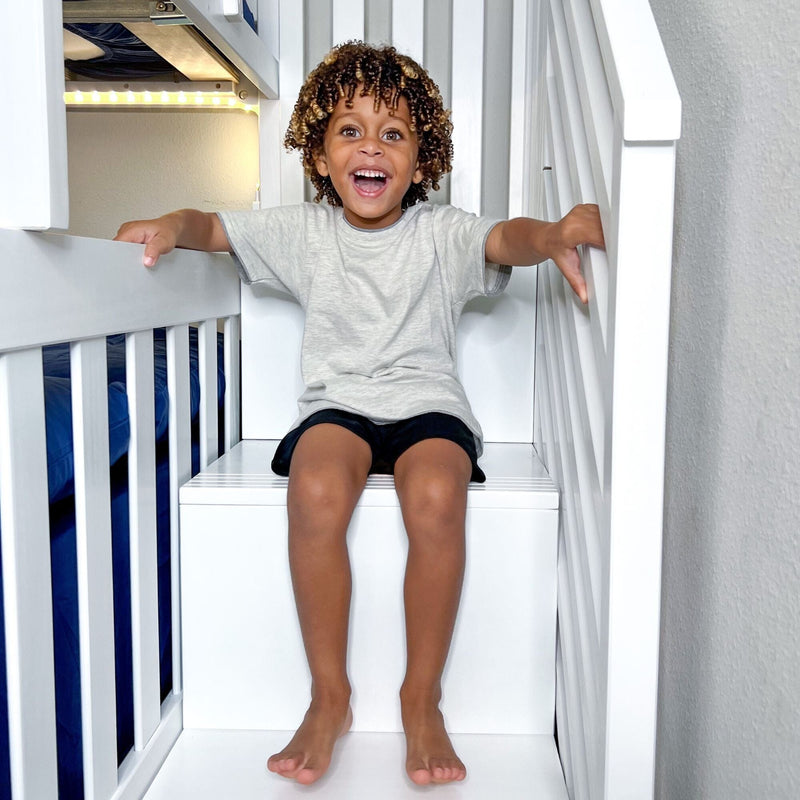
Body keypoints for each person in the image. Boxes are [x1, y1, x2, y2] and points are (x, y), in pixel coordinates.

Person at [115, 41, 604, 787]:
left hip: (427, 406)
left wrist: (554, 234)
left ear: (421, 161)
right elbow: (215, 228)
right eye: (349, 130)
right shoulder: (303, 233)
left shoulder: (441, 233)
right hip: (339, 408)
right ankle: (329, 695)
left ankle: (421, 697)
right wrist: (172, 225)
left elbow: (507, 238)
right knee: (313, 487)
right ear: (317, 153)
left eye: (394, 134)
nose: (370, 147)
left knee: (438, 494)